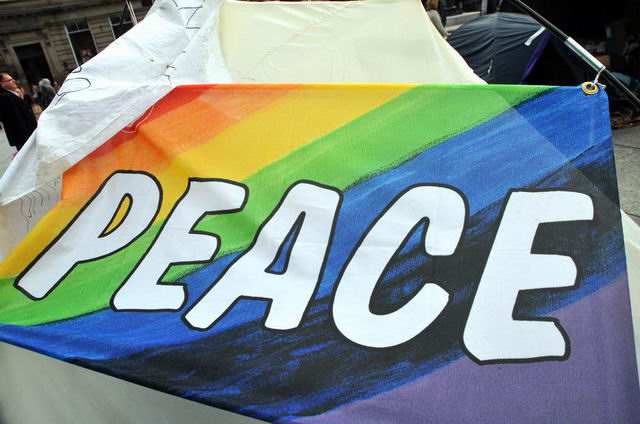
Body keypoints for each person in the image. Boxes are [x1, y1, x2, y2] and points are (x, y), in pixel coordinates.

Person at [0, 73, 37, 151]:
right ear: (2, 84)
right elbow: (15, 120)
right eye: (10, 80)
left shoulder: (12, 94)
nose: (14, 81)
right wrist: (27, 140)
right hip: (26, 138)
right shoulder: (5, 97)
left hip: (30, 134)